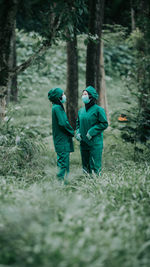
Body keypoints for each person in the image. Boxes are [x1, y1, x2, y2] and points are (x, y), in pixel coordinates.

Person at [76, 85, 108, 176]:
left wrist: (92, 131)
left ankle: (96, 185)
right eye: (83, 94)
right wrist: (77, 133)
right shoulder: (81, 111)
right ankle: (86, 185)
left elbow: (104, 123)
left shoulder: (99, 110)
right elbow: (77, 123)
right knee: (85, 166)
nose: (83, 96)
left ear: (91, 96)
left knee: (94, 165)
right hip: (84, 143)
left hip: (95, 142)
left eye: (85, 94)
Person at [48, 87, 74, 180]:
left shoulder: (56, 107)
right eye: (62, 94)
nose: (64, 96)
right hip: (62, 140)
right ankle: (61, 183)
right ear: (58, 97)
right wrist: (71, 132)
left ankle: (65, 182)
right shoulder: (57, 108)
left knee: (63, 161)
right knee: (63, 163)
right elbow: (63, 123)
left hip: (60, 139)